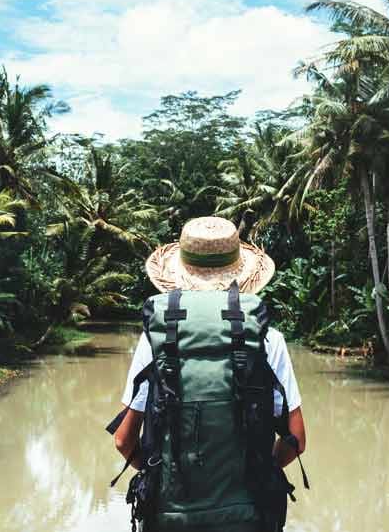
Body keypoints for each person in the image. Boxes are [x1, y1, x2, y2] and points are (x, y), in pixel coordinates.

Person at [109, 216, 308, 532]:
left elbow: (123, 441)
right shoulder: (269, 339)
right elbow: (295, 440)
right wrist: (257, 470)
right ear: (243, 275)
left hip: (170, 517)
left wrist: (159, 474)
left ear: (177, 275)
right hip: (248, 518)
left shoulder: (158, 338)